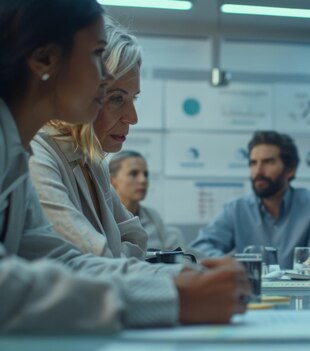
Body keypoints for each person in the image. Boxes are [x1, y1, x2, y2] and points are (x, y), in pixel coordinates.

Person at [0, 0, 249, 332]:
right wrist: (172, 296)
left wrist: (185, 279)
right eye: (96, 54)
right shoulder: (30, 152)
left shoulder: (16, 150)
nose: (104, 78)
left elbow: (63, 260)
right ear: (45, 59)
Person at [28, 16, 148, 258]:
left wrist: (113, 256)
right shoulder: (37, 157)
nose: (132, 117)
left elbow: (137, 238)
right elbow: (89, 260)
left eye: (133, 99)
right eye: (116, 98)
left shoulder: (92, 161)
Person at [191, 131, 310, 269]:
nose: (258, 171)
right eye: (253, 163)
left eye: (268, 162)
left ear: (290, 169)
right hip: (250, 292)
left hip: (300, 293)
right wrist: (232, 266)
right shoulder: (236, 209)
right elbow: (200, 247)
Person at [109, 150, 186, 250]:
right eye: (133, 173)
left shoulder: (152, 216)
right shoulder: (105, 217)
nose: (143, 180)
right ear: (112, 180)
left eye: (145, 174)